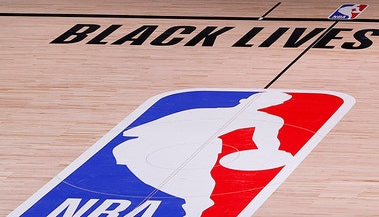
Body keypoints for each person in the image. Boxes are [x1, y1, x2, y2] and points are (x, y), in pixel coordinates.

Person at [112, 91, 293, 216]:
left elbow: (267, 143)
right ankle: (194, 207)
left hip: (189, 149)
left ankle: (194, 209)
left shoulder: (267, 119)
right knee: (199, 188)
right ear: (245, 101)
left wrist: (270, 154)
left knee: (201, 188)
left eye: (272, 103)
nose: (266, 105)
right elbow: (134, 132)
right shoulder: (198, 113)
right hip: (149, 147)